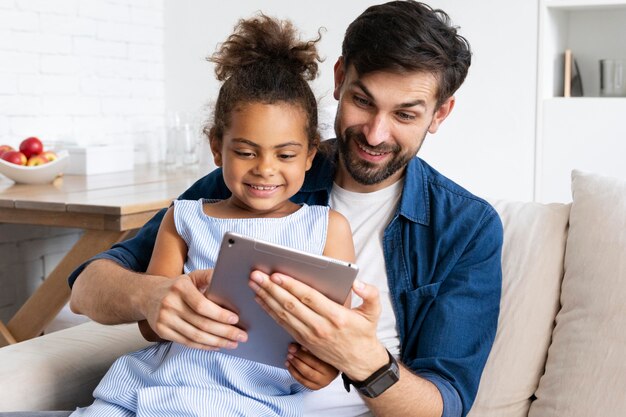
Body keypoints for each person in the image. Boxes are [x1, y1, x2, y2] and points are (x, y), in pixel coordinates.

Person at [64, 2, 502, 417]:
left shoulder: (465, 227)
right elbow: (87, 288)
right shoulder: (260, 181)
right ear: (339, 78)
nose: (374, 133)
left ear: (440, 114)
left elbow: (443, 404)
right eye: (363, 102)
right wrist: (153, 296)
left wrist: (365, 361)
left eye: (405, 115)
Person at [67, 14, 354, 417]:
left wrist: (323, 368)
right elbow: (152, 326)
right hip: (157, 388)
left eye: (286, 155)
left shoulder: (326, 228)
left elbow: (336, 338)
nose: (265, 169)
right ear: (217, 147)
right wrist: (179, 300)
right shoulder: (184, 218)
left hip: (255, 402)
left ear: (309, 155)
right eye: (245, 151)